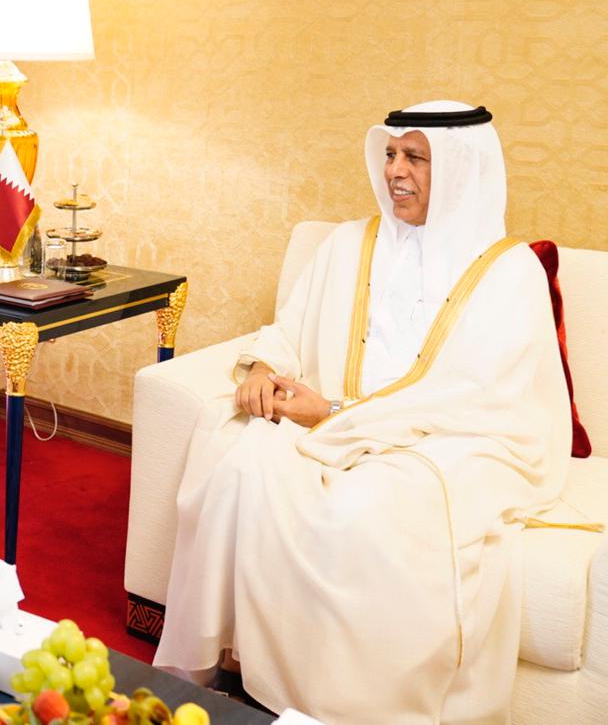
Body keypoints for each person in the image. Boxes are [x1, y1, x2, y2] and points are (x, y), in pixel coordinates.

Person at [153, 101, 573, 724]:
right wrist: (264, 369)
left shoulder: (510, 272)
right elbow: (289, 328)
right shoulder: (351, 243)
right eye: (390, 154)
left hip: (452, 442)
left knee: (364, 508)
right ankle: (232, 674)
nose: (395, 171)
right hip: (334, 424)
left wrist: (334, 411)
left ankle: (338, 707)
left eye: (415, 158)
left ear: (461, 169)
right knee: (243, 457)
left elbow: (479, 397)